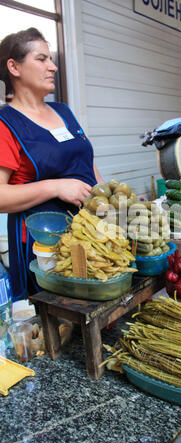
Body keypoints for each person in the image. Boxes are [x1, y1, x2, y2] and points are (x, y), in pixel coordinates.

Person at [0, 28, 104, 302]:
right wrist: (55, 187)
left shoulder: (64, 111)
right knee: (58, 328)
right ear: (14, 67)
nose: (53, 67)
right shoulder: (6, 124)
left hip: (90, 238)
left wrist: (108, 200)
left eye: (52, 59)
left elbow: (86, 164)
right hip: (44, 247)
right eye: (42, 59)